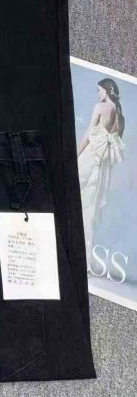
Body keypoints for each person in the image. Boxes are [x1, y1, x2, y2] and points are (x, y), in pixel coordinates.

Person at [77, 78, 125, 270]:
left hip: (90, 157)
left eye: (99, 90)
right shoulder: (121, 117)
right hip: (103, 166)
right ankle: (85, 262)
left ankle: (76, 257)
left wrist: (75, 155)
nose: (98, 94)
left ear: (106, 90)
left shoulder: (100, 107)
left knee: (79, 202)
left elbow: (88, 134)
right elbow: (115, 144)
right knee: (90, 210)